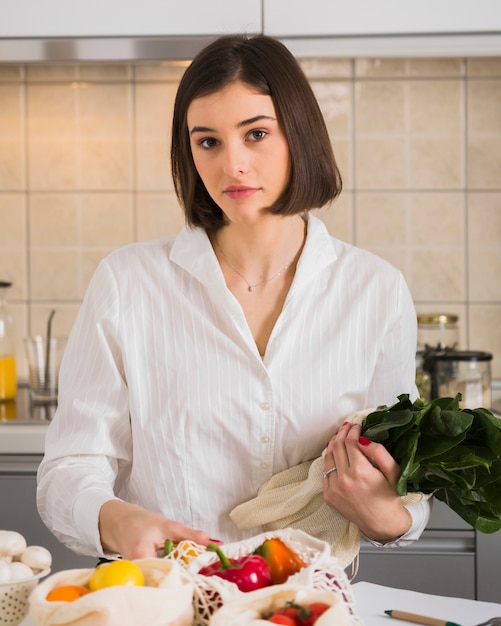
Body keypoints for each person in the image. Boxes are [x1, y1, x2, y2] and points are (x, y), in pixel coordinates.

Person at [37, 34, 430, 561]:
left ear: (300, 135)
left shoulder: (377, 291)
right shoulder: (127, 282)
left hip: (308, 606)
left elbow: (403, 472)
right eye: (208, 142)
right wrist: (112, 518)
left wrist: (392, 519)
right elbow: (69, 467)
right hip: (170, 600)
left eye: (257, 134)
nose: (232, 165)